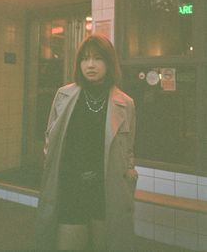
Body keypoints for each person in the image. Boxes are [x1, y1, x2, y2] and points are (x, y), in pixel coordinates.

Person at [36, 33, 138, 251]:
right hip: (70, 188)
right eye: (85, 58)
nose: (90, 65)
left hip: (105, 191)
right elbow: (50, 138)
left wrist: (128, 181)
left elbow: (128, 150)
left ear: (109, 63)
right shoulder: (63, 95)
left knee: (104, 245)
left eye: (98, 58)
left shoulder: (125, 103)